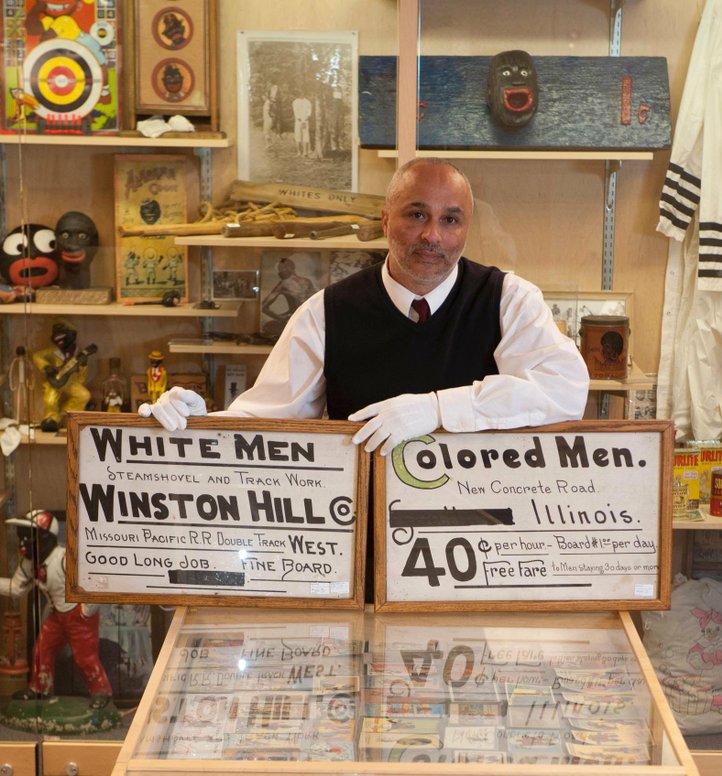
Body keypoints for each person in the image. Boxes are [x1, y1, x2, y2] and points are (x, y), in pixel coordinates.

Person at [140, 157, 589, 452]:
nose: (433, 236)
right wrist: (197, 426)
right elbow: (268, 418)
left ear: (466, 227)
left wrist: (436, 409)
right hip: (360, 541)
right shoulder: (326, 313)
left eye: (450, 220)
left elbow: (563, 390)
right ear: (384, 220)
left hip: (477, 535)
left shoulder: (509, 299)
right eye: (417, 215)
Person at [0, 510, 113, 709]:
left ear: (45, 537)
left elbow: (96, 582)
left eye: (29, 535)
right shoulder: (29, 563)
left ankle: (101, 691)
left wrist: (86, 611)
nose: (24, 541)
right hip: (57, 615)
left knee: (85, 657)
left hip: (78, 615)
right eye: (22, 535)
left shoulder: (63, 558)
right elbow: (17, 588)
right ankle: (40, 688)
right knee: (42, 649)